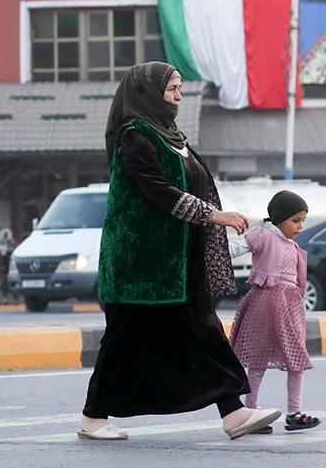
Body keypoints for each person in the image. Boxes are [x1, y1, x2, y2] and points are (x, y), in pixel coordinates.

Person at [79, 62, 281, 441]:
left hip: (177, 263)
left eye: (178, 88)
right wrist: (213, 215)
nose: (178, 95)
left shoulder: (172, 137)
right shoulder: (135, 137)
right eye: (172, 88)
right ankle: (92, 419)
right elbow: (159, 191)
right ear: (148, 94)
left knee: (203, 331)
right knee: (124, 340)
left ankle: (233, 412)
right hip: (140, 266)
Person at [229, 190, 319, 433]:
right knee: (257, 361)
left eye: (303, 220)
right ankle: (251, 412)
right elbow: (235, 248)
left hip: (290, 310)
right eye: (296, 220)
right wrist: (211, 253)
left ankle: (294, 412)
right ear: (280, 218)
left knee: (296, 360)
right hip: (264, 305)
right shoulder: (265, 237)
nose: (300, 226)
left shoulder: (295, 248)